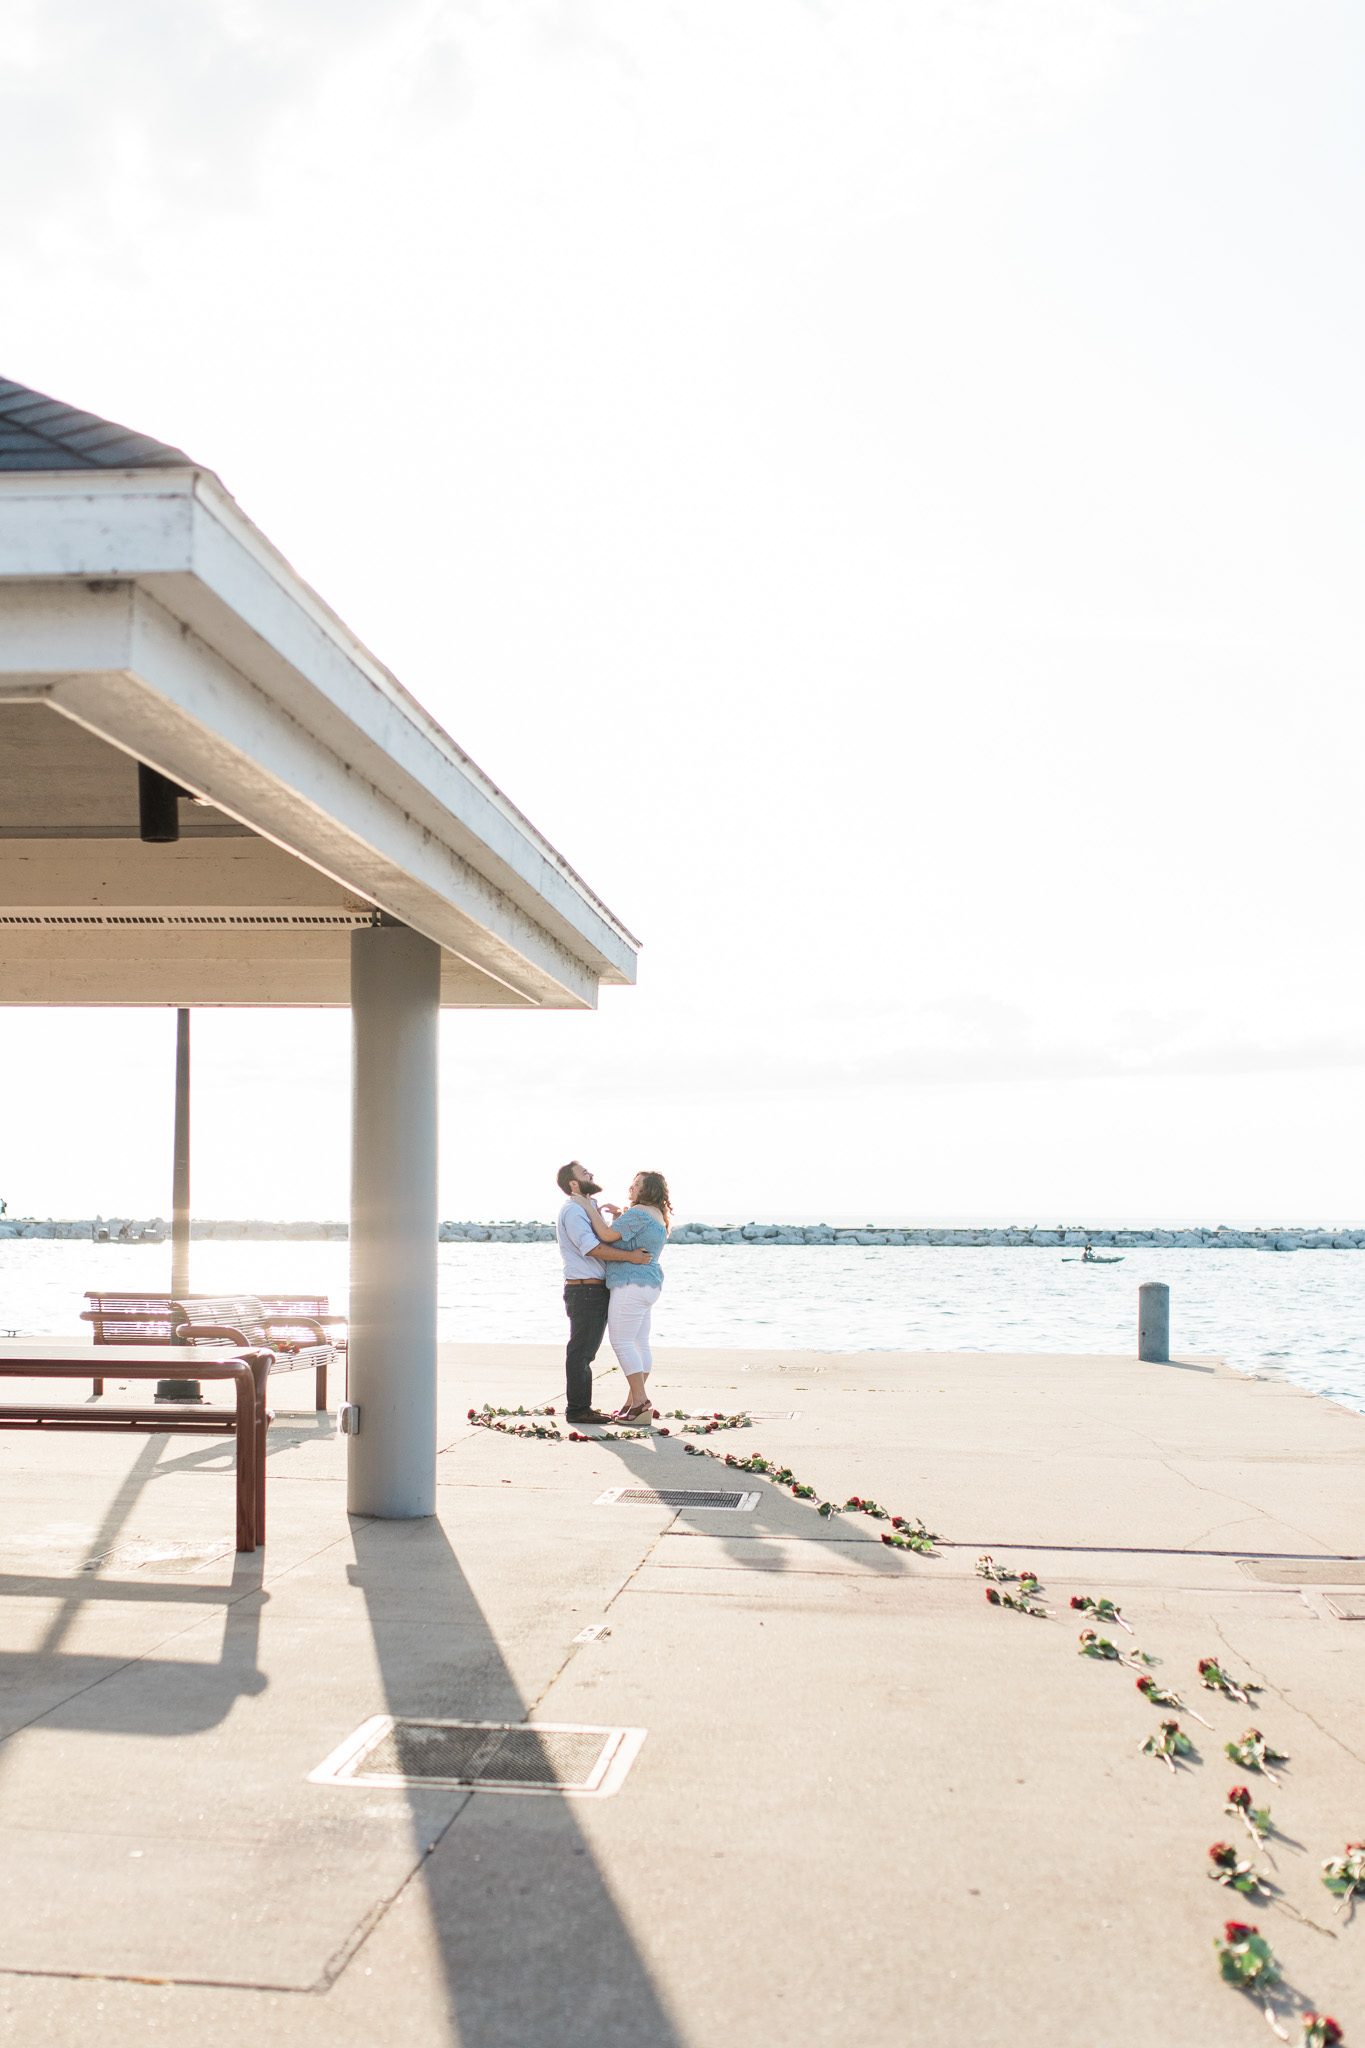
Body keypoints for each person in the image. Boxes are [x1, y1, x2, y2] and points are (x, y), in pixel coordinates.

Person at [555, 1161, 651, 1424]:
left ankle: (583, 1407)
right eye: (585, 1174)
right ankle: (577, 1410)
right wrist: (631, 1257)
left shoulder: (586, 1208)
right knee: (581, 1352)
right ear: (573, 1184)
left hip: (593, 1289)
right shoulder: (574, 1210)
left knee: (585, 1351)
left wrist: (616, 1221)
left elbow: (604, 1240)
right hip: (584, 1289)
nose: (591, 1175)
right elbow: (592, 1248)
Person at [580, 1170, 671, 1424]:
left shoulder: (639, 1212)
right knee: (640, 1343)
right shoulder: (657, 1216)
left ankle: (641, 1402)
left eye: (637, 1185)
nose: (631, 1188)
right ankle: (632, 1403)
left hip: (631, 1283)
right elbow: (635, 1236)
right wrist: (620, 1216)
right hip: (649, 1284)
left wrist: (589, 1208)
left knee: (621, 1342)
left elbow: (607, 1236)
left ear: (648, 1190)